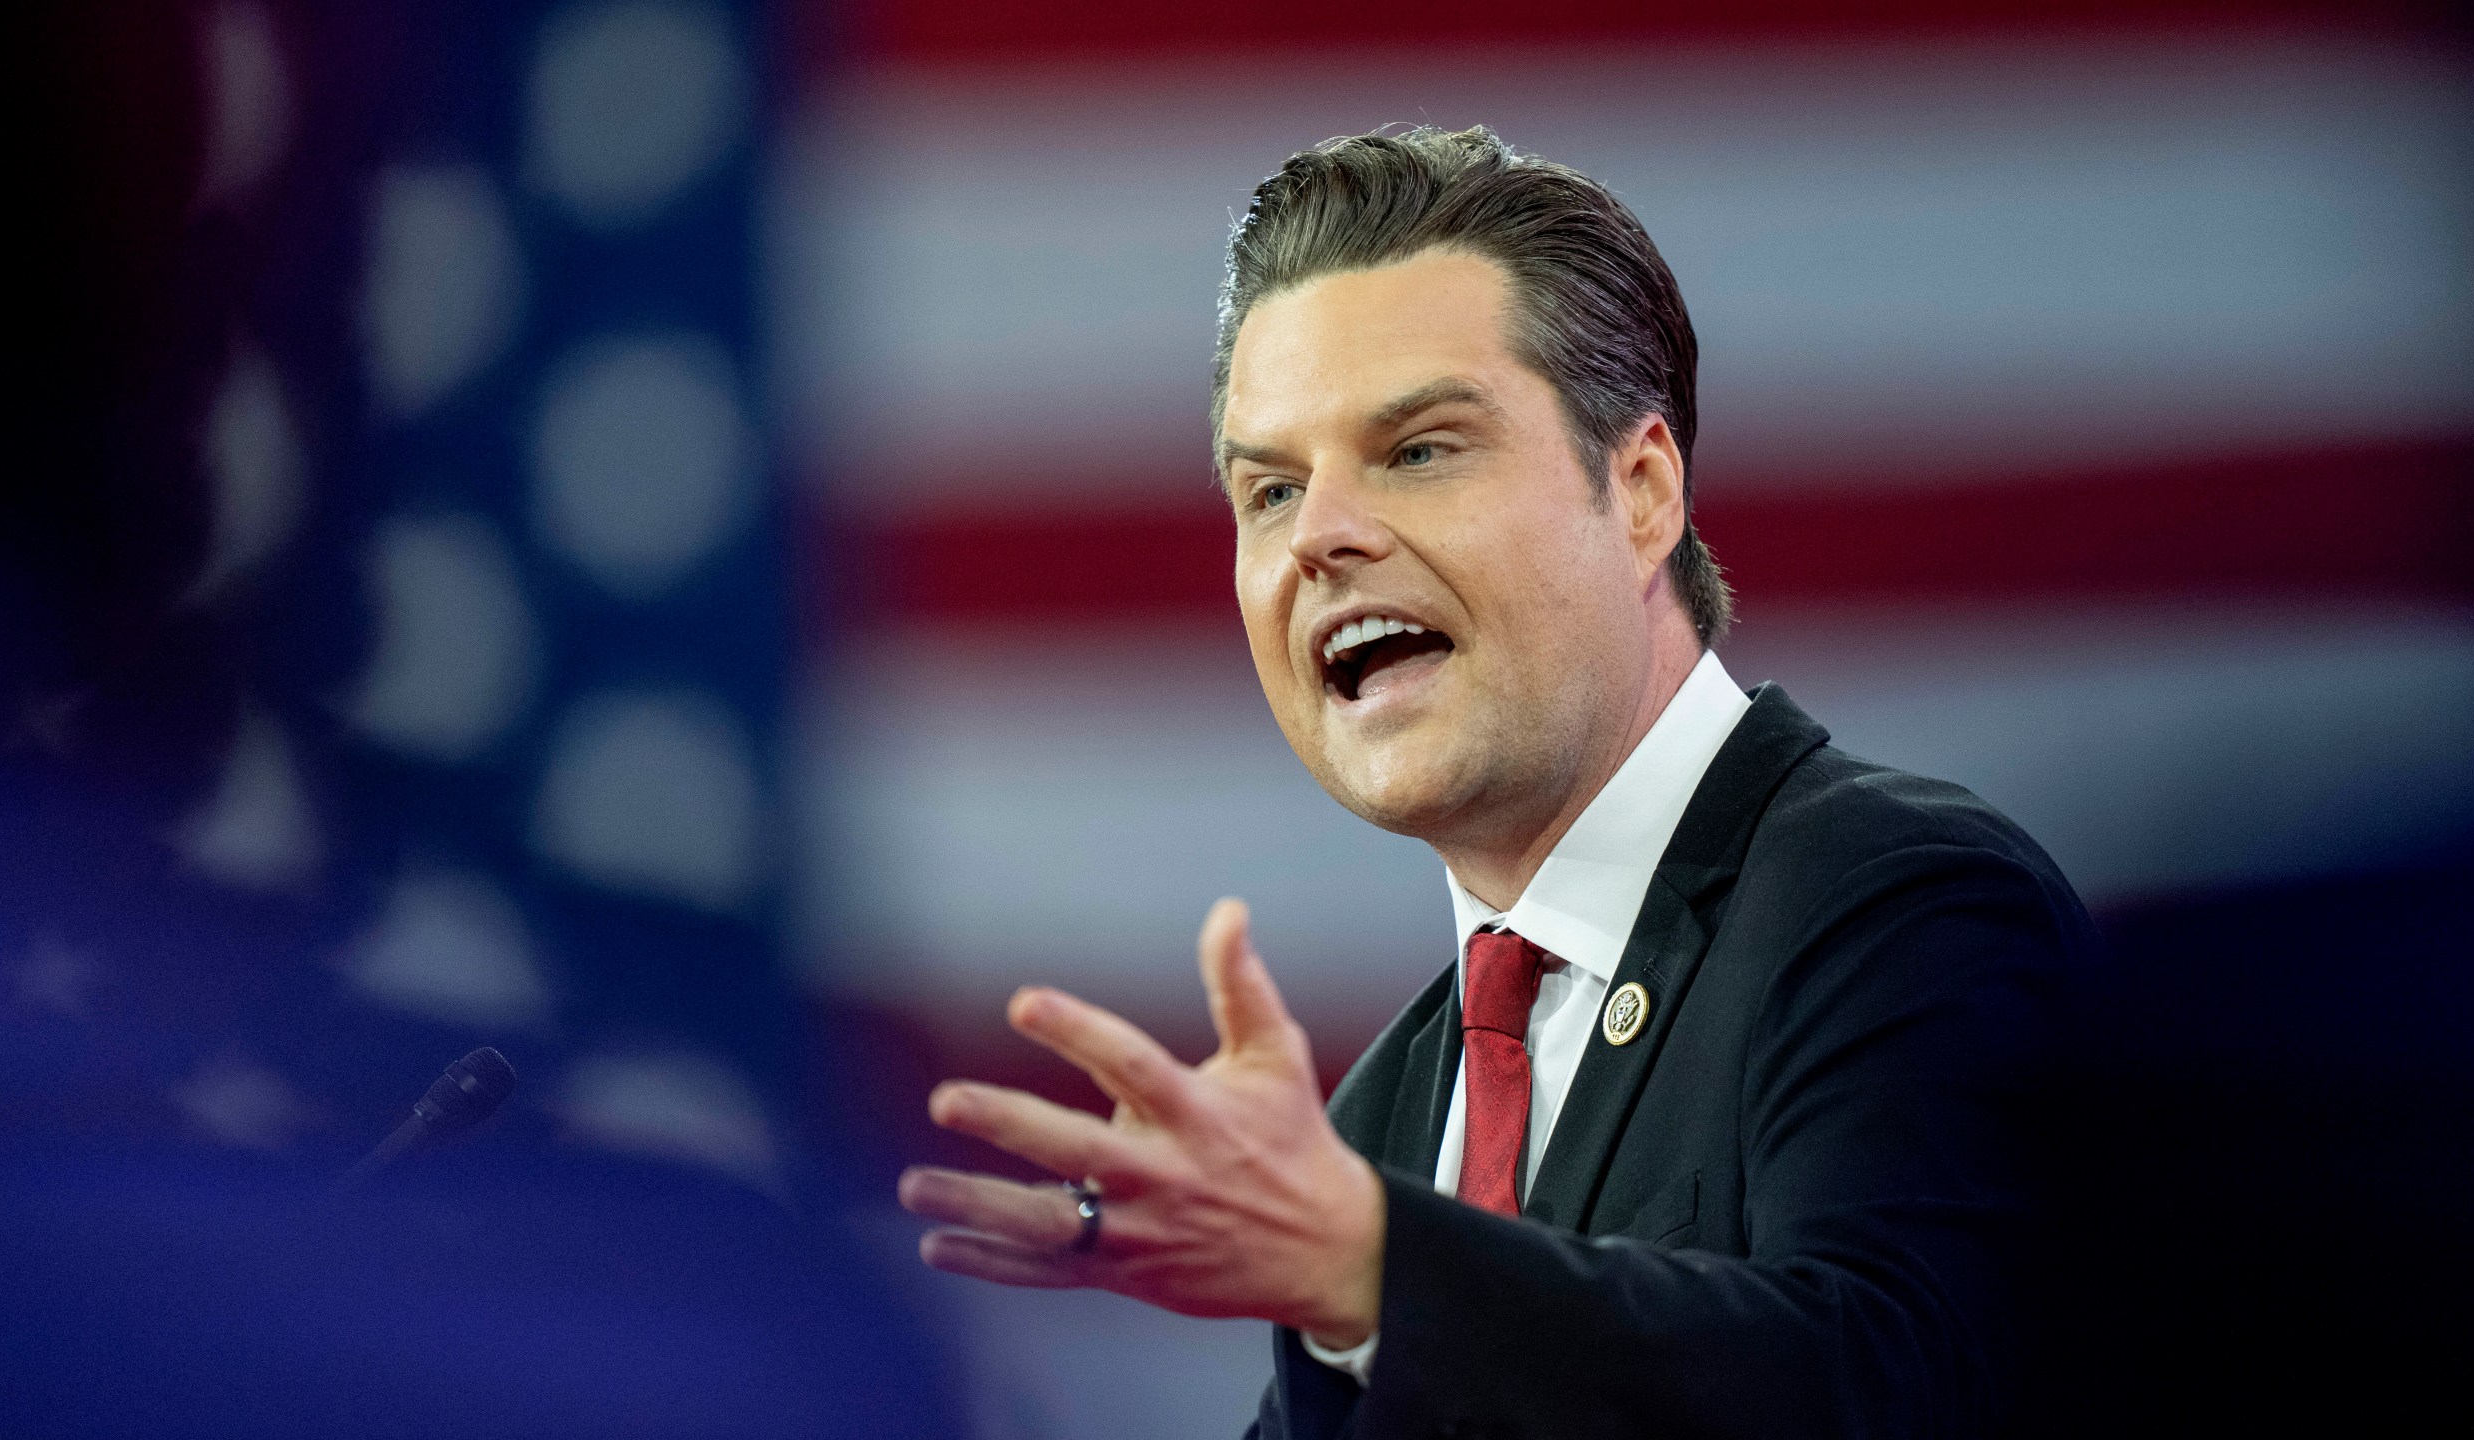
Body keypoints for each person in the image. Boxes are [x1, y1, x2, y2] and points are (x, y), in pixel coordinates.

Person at [896, 126, 2098, 1439]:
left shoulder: (1898, 905)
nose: (1324, 538)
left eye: (1419, 449)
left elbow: (1893, 1382)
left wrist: (1368, 1266)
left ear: (1640, 494)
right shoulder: (1382, 1120)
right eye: (1272, 488)